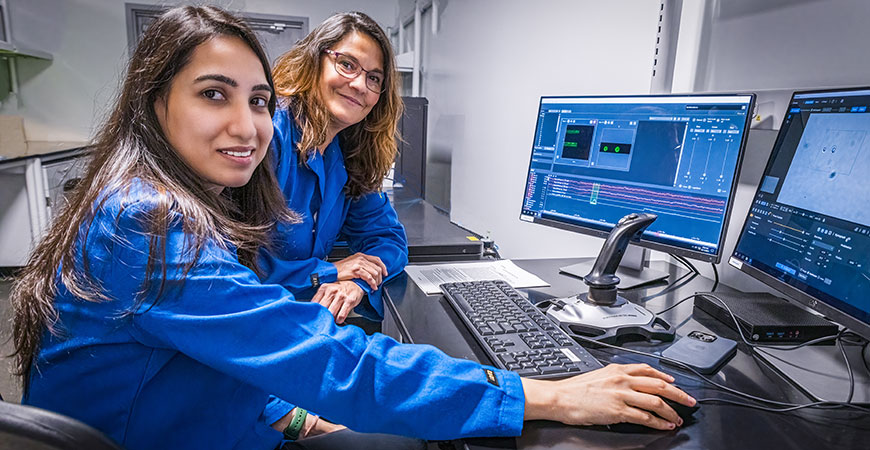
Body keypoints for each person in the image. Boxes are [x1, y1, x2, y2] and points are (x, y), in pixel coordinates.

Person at [10, 5, 695, 450]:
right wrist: (547, 395)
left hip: (229, 398)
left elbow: (368, 249)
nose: (246, 125)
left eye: (257, 101)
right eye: (213, 94)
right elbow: (295, 339)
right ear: (152, 102)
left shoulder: (311, 165)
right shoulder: (147, 222)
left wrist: (350, 287)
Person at [262, 12, 409, 325]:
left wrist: (356, 283)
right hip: (243, 321)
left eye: (374, 78)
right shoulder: (268, 136)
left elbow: (387, 239)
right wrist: (326, 272)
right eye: (347, 64)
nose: (360, 85)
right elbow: (230, 263)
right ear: (314, 61)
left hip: (303, 320)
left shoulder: (348, 153)